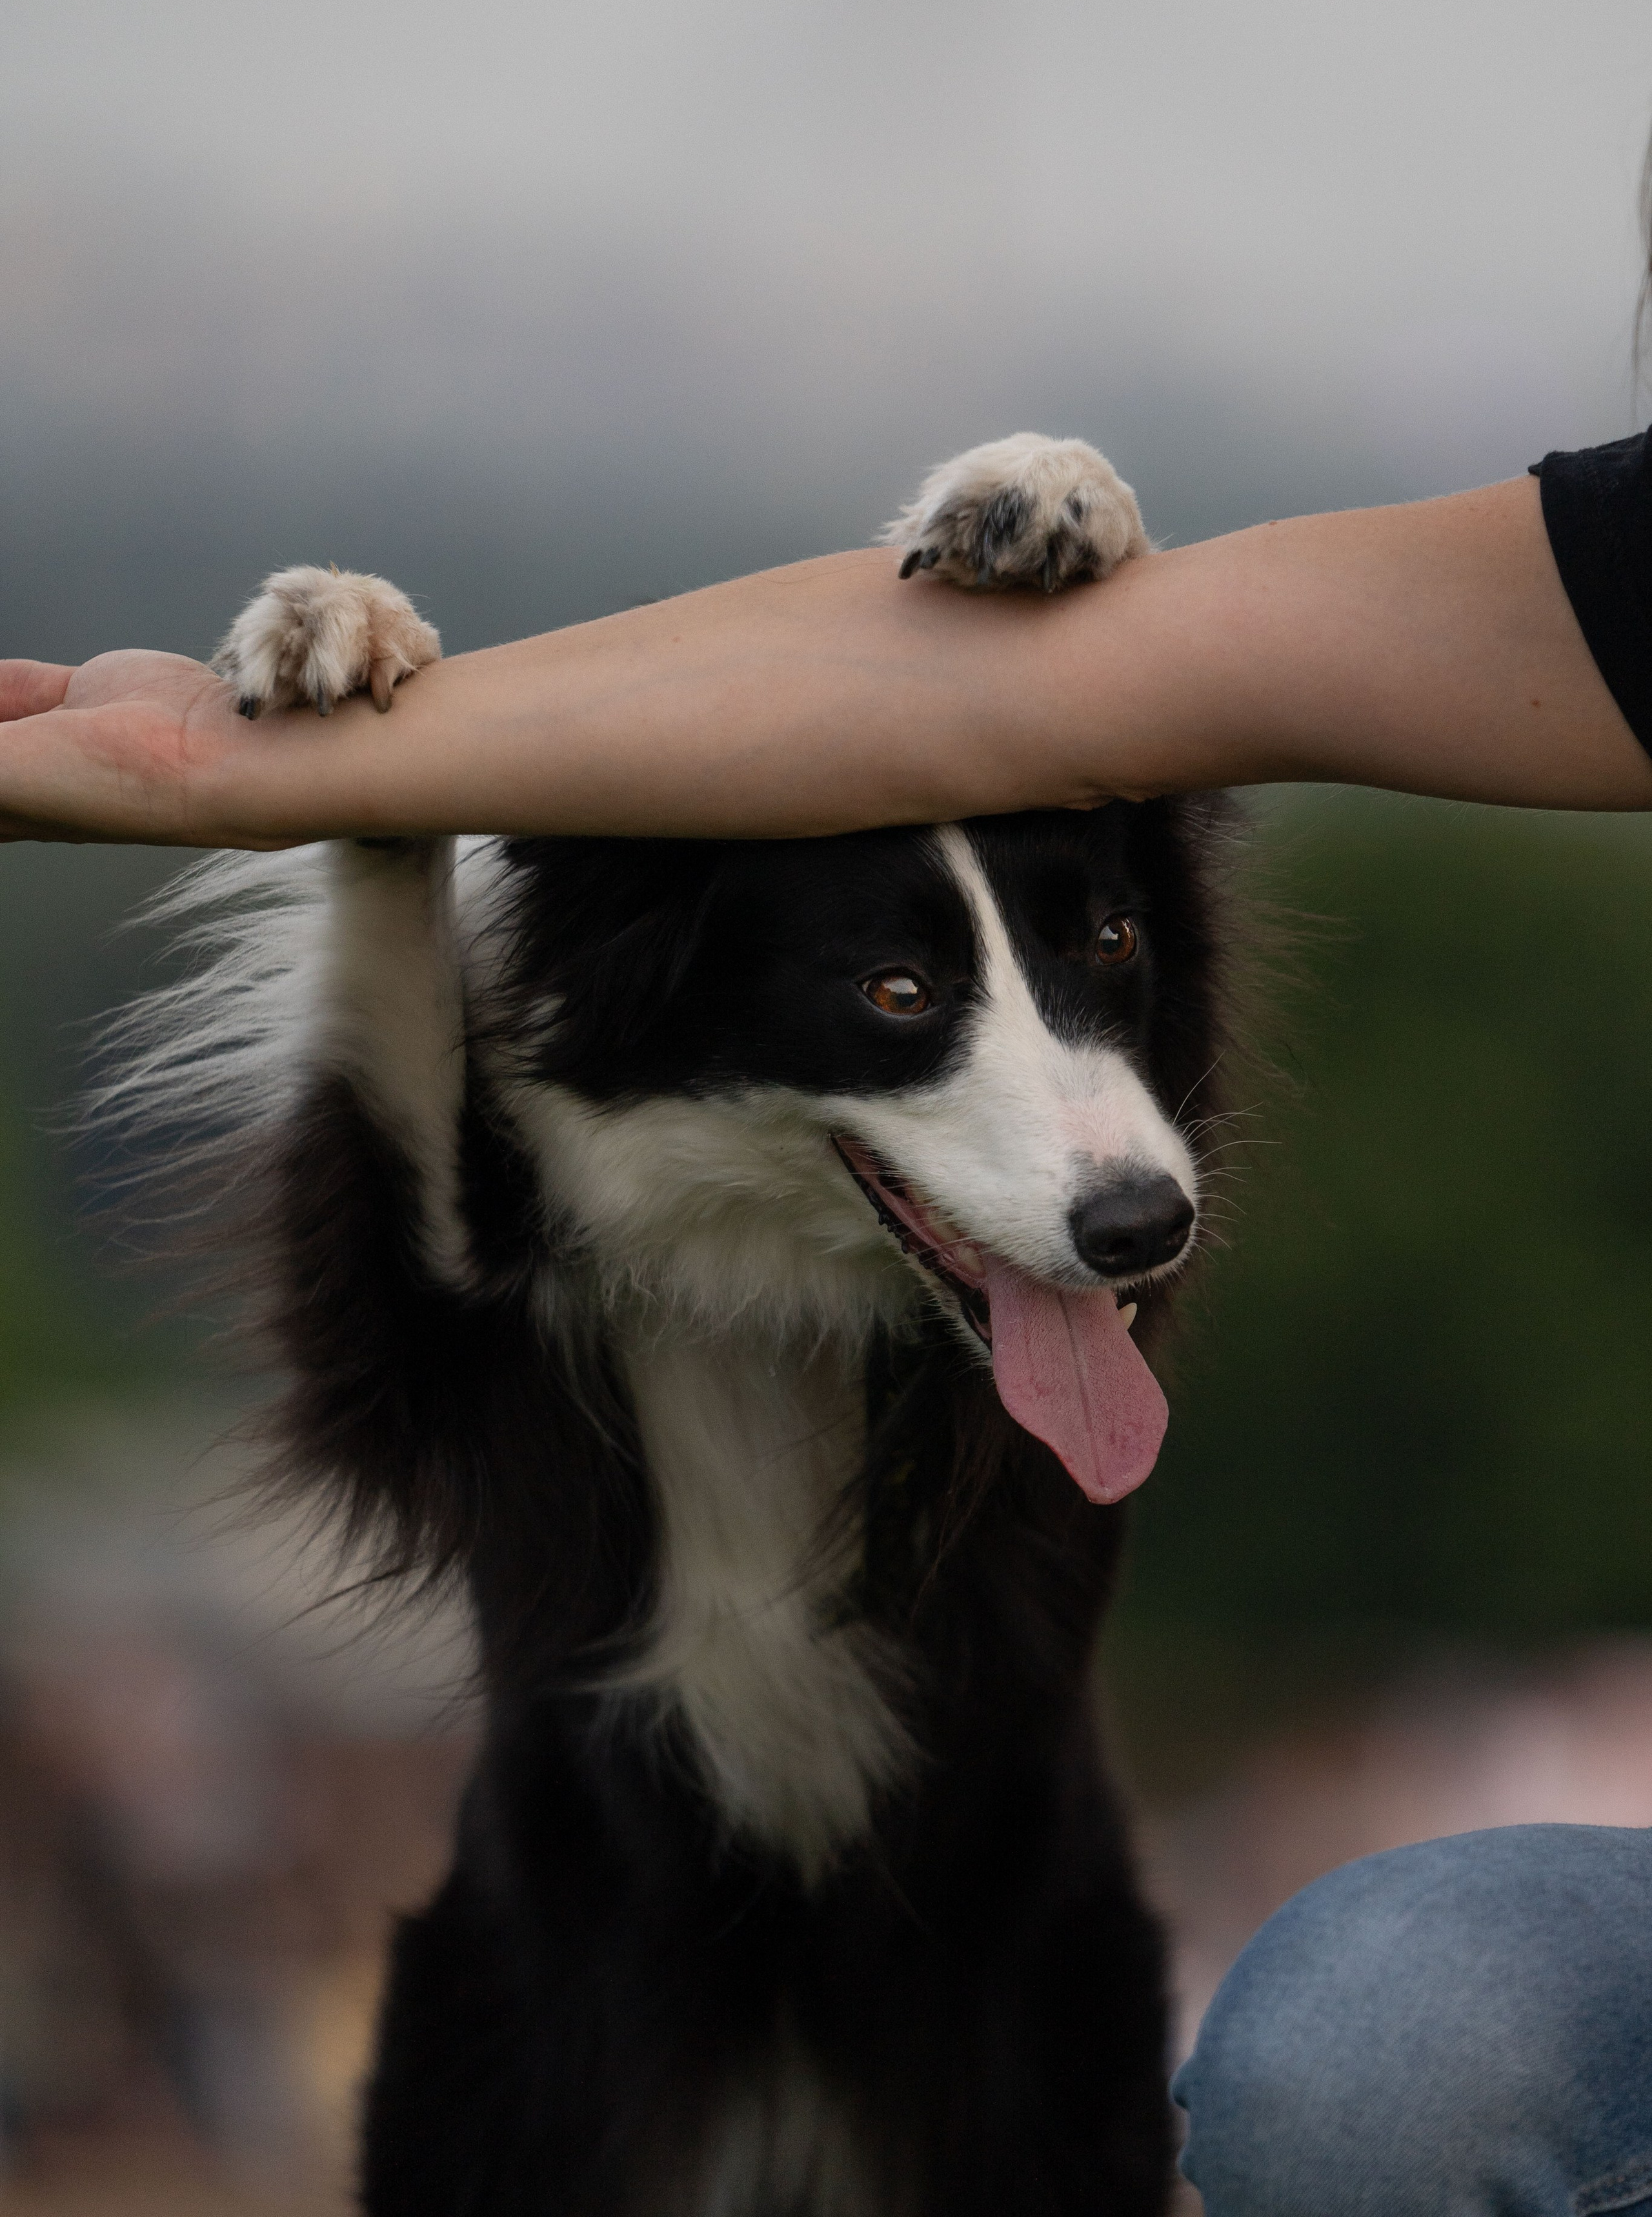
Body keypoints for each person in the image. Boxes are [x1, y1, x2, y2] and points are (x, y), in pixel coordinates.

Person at [3, 318, 1649, 2207]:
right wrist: (365, 797)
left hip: (996, 1988)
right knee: (1378, 2052)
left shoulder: (1025, 1208)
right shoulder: (578, 1199)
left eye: (1096, 952)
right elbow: (1139, 661)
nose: (1117, 1153)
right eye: (894, 995)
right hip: (573, 1966)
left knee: (1365, 2054)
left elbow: (1131, 741)